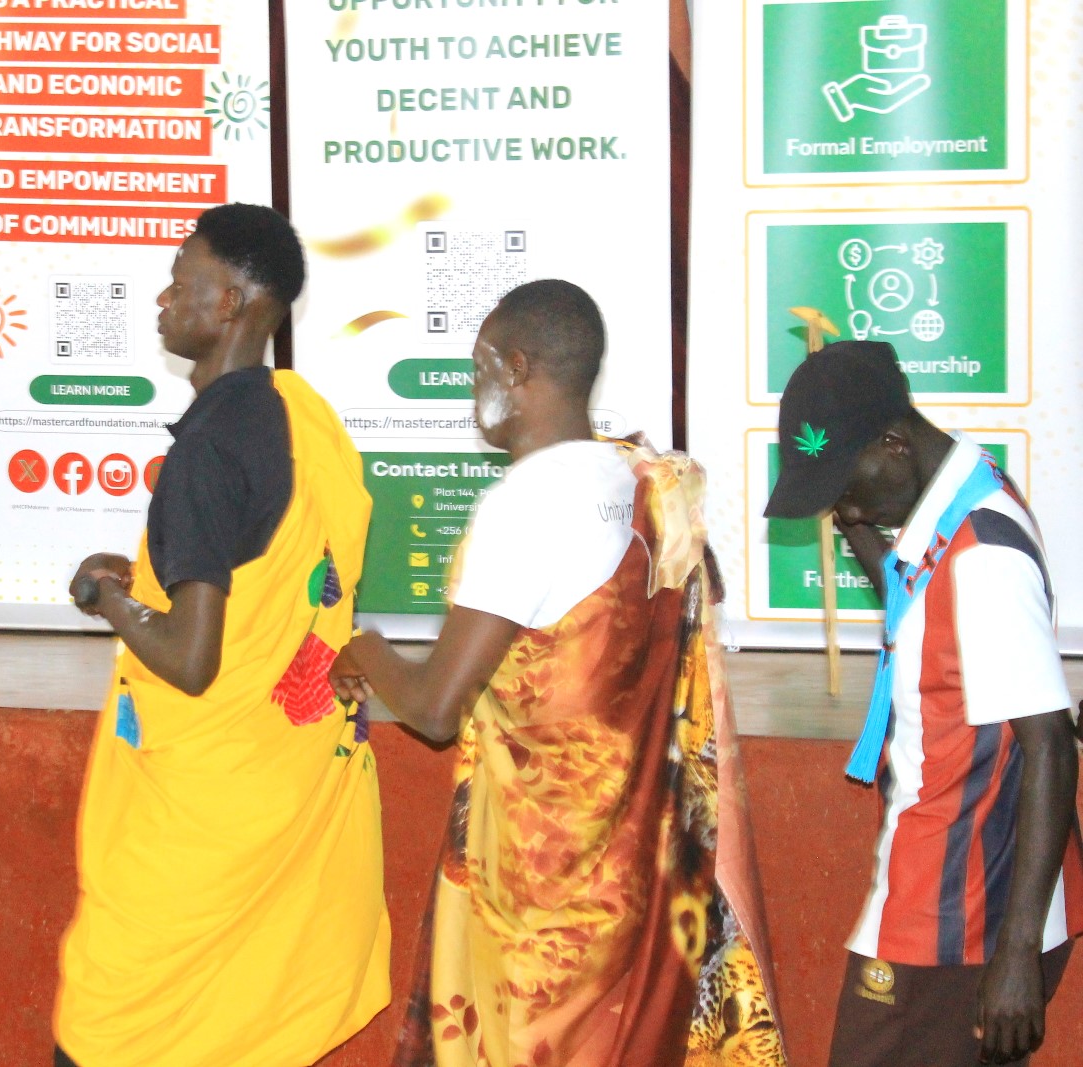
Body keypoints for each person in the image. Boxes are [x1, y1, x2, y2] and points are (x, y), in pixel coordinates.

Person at [332, 280, 785, 1066]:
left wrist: (365, 648)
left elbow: (437, 709)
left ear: (516, 365)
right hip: (636, 867)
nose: (475, 391)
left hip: (544, 891)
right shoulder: (638, 480)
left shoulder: (527, 502)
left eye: (479, 369)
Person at [55, 203, 388, 1067]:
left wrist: (105, 598)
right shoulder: (306, 418)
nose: (162, 297)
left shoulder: (207, 449)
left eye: (181, 279)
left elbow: (192, 660)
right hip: (285, 795)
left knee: (105, 1037)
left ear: (234, 300)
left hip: (197, 830)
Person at [763, 340, 1083, 1067]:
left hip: (958, 911)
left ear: (894, 444)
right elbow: (921, 601)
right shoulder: (962, 495)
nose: (840, 504)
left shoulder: (984, 559)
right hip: (957, 888)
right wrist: (858, 527)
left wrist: (1016, 955)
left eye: (844, 485)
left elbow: (1052, 745)